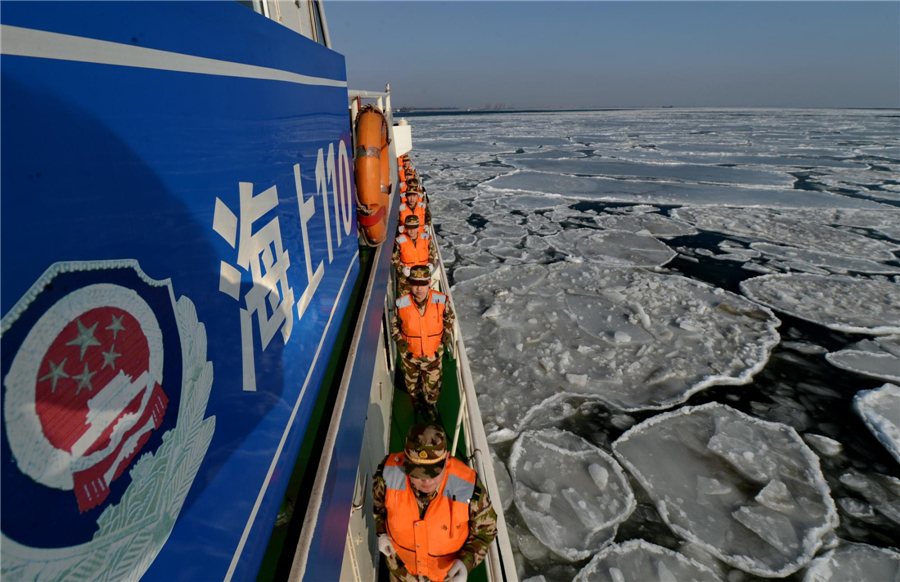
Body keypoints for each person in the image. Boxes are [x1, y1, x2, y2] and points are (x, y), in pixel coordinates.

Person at [372, 423, 498, 582]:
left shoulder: (468, 488)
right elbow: (379, 508)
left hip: (446, 576)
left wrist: (466, 562)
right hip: (401, 571)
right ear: (405, 462)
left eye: (434, 472)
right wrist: (381, 532)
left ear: (446, 458)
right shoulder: (387, 475)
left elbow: (486, 531)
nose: (426, 481)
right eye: (417, 473)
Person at [391, 265, 453, 420]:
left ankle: (430, 404)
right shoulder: (401, 303)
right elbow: (394, 325)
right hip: (410, 354)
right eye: (414, 283)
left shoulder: (440, 299)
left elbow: (449, 317)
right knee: (411, 383)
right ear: (409, 283)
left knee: (432, 386)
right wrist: (399, 340)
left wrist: (447, 332)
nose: (419, 289)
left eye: (423, 284)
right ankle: (417, 400)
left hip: (433, 354)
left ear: (429, 282)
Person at [392, 215, 436, 296]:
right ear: (405, 227)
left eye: (414, 227)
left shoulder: (426, 238)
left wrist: (431, 262)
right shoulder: (399, 241)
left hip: (423, 278)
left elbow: (432, 253)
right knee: (406, 301)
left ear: (418, 227)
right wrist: (402, 268)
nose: (412, 231)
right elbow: (394, 258)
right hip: (406, 279)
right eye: (409, 227)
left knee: (422, 299)